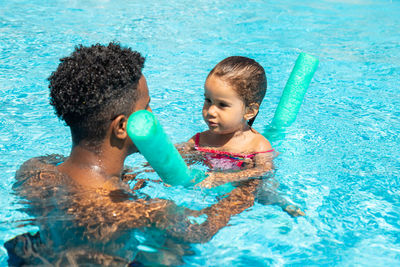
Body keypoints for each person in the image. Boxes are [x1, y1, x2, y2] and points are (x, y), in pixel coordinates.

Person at [4, 43, 262, 266]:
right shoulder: (141, 210)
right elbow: (199, 231)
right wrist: (244, 193)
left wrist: (124, 176)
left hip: (36, 256)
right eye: (146, 106)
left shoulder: (35, 169)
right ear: (122, 127)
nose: (152, 114)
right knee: (174, 251)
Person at [185, 56, 305, 217]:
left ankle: (283, 204)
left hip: (247, 186)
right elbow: (176, 158)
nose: (211, 111)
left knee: (259, 193)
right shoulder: (199, 140)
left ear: (249, 111)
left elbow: (265, 170)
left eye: (222, 105)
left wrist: (226, 178)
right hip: (212, 182)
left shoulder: (257, 144)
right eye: (208, 100)